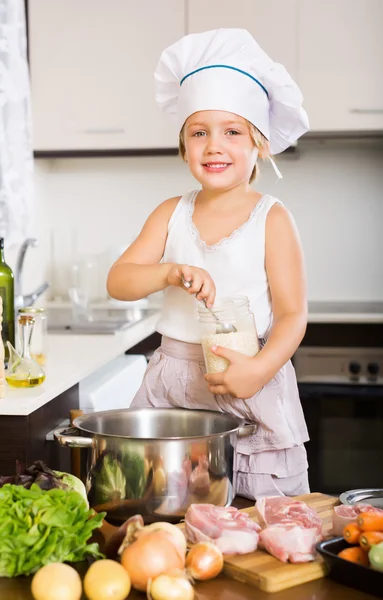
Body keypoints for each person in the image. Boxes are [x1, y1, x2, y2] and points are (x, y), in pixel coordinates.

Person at [107, 28, 310, 499]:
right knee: (166, 504)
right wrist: (168, 272)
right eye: (199, 133)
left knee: (253, 512)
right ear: (184, 148)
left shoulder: (273, 218)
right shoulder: (169, 213)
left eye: (232, 132)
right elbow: (119, 281)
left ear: (259, 144)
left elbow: (293, 315)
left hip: (248, 372)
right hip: (173, 383)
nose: (214, 146)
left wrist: (258, 370)